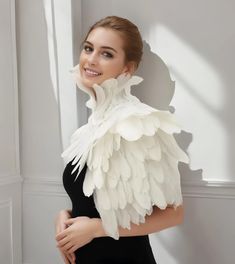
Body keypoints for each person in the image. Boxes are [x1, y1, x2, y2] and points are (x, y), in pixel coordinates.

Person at [54, 16, 189, 264]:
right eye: (88, 48)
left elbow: (173, 214)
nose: (91, 59)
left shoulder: (138, 125)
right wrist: (67, 215)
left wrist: (96, 229)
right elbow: (98, 205)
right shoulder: (89, 130)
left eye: (106, 54)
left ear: (127, 68)